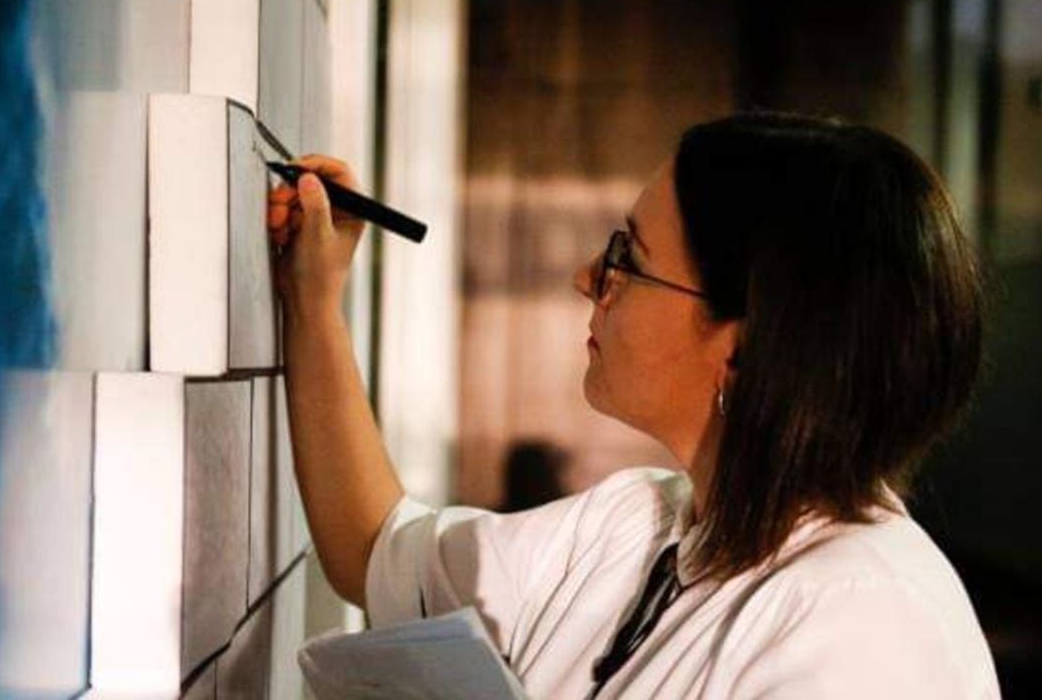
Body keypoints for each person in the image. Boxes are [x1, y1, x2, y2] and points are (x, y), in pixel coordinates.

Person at [267, 112, 1001, 699]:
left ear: (745, 345)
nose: (589, 277)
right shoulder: (643, 523)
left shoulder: (867, 629)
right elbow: (375, 553)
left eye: (631, 257)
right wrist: (313, 300)